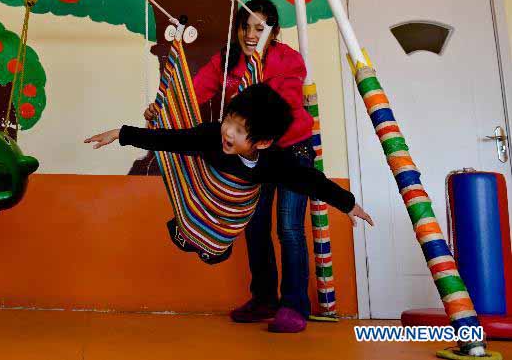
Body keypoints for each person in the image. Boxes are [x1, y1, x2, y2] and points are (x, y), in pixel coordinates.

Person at [142, 5, 350, 332]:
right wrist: (163, 107)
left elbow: (284, 108)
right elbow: (193, 93)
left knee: (288, 228)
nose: (252, 35)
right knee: (254, 225)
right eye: (247, 27)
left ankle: (294, 304)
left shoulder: (288, 60)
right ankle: (264, 299)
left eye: (261, 28)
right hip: (254, 153)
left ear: (274, 31)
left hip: (290, 149)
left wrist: (251, 95)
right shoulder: (228, 59)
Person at [88, 83, 373, 270]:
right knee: (181, 233)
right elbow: (170, 139)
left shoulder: (273, 161)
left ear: (261, 142)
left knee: (216, 254)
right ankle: (186, 230)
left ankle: (212, 247)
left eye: (239, 130)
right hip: (202, 197)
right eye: (229, 121)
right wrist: (121, 133)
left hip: (232, 215)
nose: (228, 132)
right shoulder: (211, 136)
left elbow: (310, 180)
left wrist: (347, 203)